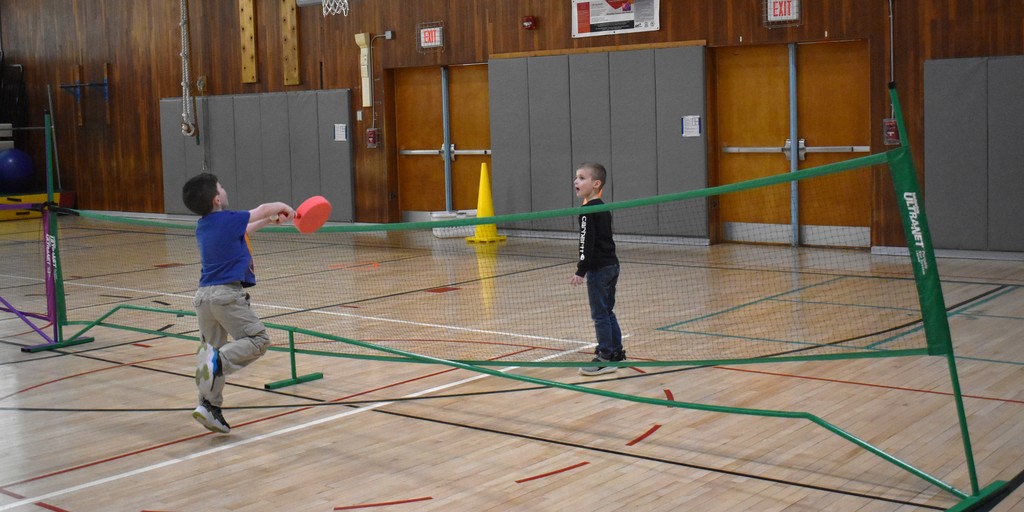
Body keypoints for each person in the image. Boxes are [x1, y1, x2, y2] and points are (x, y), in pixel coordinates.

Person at [181, 173, 295, 433]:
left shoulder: (205, 225)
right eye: (221, 186)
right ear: (217, 199)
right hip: (225, 295)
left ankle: (209, 407)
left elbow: (245, 230)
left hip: (203, 298)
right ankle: (216, 362)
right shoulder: (227, 219)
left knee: (211, 350)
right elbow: (262, 209)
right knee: (258, 340)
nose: (224, 187)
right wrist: (283, 208)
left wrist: (267, 221)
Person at [570, 162, 624, 376]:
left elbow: (586, 242)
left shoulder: (587, 211)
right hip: (612, 265)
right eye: (576, 177)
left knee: (600, 314)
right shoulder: (603, 207)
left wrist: (580, 270)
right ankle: (616, 353)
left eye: (582, 178)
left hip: (599, 270)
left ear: (596, 183)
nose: (576, 181)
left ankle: (604, 356)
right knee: (607, 311)